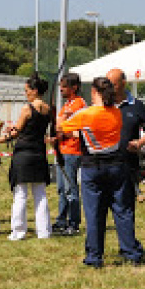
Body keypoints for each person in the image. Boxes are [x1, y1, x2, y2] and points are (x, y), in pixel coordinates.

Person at [60, 77, 144, 268]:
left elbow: (63, 127)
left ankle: (94, 256)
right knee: (123, 210)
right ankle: (131, 252)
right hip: (116, 165)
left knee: (94, 213)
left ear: (94, 92)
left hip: (93, 167)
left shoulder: (85, 114)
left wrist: (63, 115)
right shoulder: (116, 112)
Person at [0, 74, 52, 241]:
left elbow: (17, 132)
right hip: (39, 153)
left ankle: (18, 231)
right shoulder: (48, 109)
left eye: (27, 91)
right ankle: (44, 232)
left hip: (24, 154)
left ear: (35, 91)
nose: (25, 93)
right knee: (40, 194)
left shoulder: (26, 109)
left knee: (20, 194)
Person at [106, 68, 145, 196]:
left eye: (113, 84)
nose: (110, 88)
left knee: (126, 207)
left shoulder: (137, 106)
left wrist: (140, 143)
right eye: (108, 84)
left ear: (123, 83)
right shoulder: (103, 106)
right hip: (105, 164)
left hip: (128, 165)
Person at [52, 73, 86, 236]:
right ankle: (61, 220)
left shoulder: (78, 104)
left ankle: (73, 223)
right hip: (62, 150)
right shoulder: (67, 105)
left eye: (64, 86)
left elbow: (65, 126)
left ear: (74, 88)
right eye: (60, 86)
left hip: (72, 151)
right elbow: (59, 126)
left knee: (70, 189)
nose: (61, 89)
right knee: (61, 188)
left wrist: (62, 129)